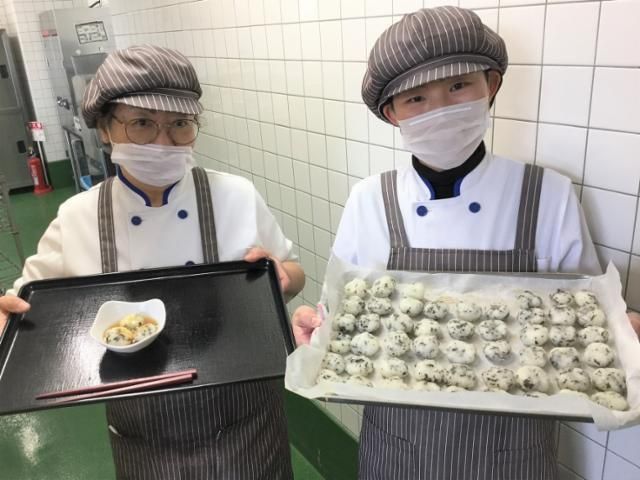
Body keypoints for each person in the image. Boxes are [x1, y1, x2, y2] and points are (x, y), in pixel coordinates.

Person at [292, 6, 640, 480]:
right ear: (391, 113)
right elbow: (343, 316)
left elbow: (582, 319)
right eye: (416, 98)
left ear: (491, 85)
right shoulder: (369, 200)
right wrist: (316, 328)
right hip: (398, 450)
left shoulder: (546, 195)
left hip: (513, 454)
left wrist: (620, 334)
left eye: (458, 86)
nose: (440, 109)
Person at [0, 45, 304, 479]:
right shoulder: (78, 217)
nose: (164, 143)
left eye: (179, 124)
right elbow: (24, 311)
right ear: (105, 128)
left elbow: (294, 274)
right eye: (142, 123)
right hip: (144, 437)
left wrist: (282, 277)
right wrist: (5, 317)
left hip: (247, 427)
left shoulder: (235, 196)